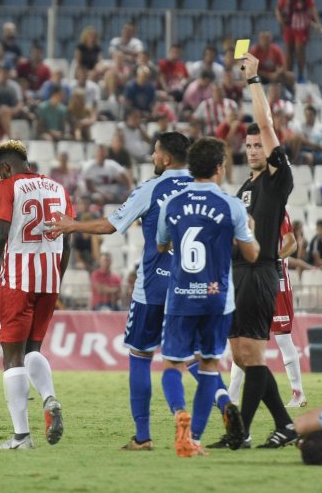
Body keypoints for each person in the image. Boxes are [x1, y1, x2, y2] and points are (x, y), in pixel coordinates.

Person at [48, 132, 193, 451]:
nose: (153, 158)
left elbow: (111, 225)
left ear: (166, 159)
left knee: (140, 355)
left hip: (154, 284)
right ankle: (224, 405)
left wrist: (72, 225)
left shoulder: (152, 189)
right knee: (196, 358)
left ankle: (143, 437)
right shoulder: (205, 187)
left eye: (155, 153)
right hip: (194, 286)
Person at [155, 136, 260, 457]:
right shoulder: (231, 205)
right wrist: (248, 229)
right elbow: (252, 254)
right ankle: (194, 439)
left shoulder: (172, 203)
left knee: (173, 364)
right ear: (218, 167)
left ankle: (178, 414)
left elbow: (162, 245)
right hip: (217, 299)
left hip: (181, 296)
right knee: (210, 366)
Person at [213, 52, 297, 451]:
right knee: (241, 357)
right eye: (247, 146)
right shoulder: (244, 188)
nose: (252, 150)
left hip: (260, 271)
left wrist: (253, 81)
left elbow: (265, 123)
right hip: (236, 275)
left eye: (258, 145)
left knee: (252, 355)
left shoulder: (277, 181)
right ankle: (282, 425)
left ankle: (240, 431)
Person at [0, 140, 73, 450]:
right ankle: (49, 397)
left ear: (5, 167)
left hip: (17, 281)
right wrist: (57, 277)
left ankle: (21, 437)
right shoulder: (58, 189)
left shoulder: (8, 187)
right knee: (32, 350)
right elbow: (67, 242)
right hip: (48, 280)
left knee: (12, 357)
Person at [231, 211, 308, 409]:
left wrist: (273, 258)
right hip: (251, 279)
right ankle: (231, 396)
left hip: (276, 280)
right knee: (245, 337)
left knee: (282, 337)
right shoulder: (245, 209)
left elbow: (291, 244)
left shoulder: (277, 209)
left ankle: (298, 393)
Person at [275, 0, 319, 82]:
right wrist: (279, 18)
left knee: (300, 48)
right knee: (289, 50)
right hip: (289, 25)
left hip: (301, 25)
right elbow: (278, 8)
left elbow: (312, 7)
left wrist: (318, 23)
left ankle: (300, 74)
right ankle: (289, 75)